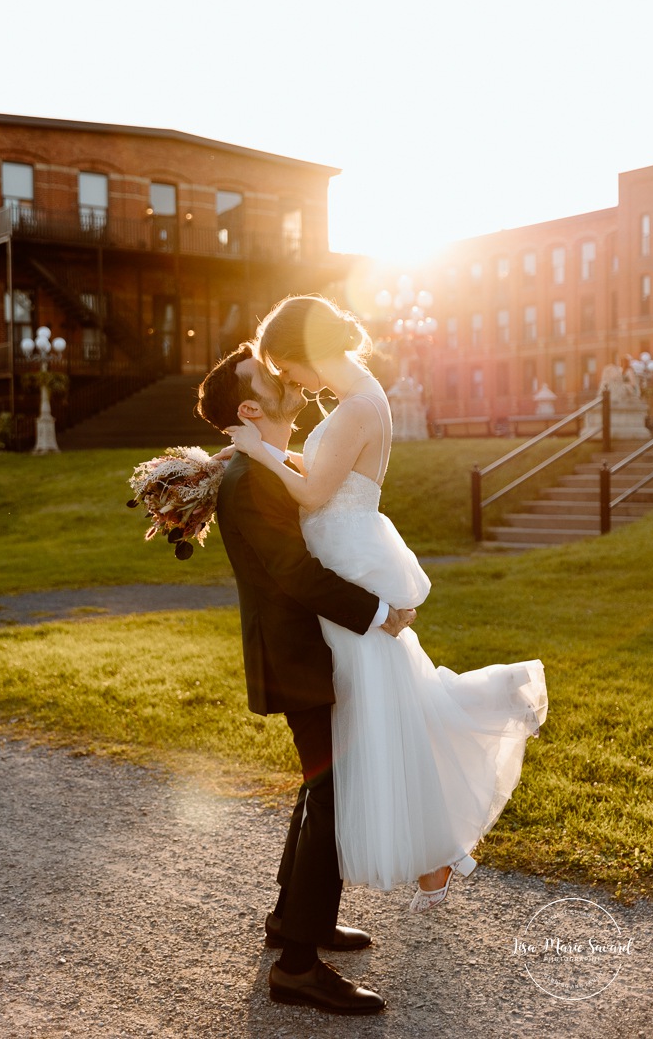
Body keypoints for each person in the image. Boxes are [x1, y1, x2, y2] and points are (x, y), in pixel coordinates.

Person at [226, 295, 548, 912]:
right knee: (387, 708)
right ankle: (397, 869)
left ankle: (402, 863)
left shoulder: (356, 406)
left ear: (305, 353)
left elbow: (316, 492)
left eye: (287, 369)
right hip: (347, 555)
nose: (289, 382)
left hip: (344, 564)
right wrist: (265, 454)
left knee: (373, 718)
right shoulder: (360, 398)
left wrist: (257, 449)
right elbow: (323, 473)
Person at [196, 344, 415, 1015]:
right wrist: (379, 612)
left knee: (321, 786)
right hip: (295, 654)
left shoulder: (264, 467)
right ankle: (295, 967)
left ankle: (297, 923)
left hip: (298, 651)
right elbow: (295, 573)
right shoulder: (253, 476)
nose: (282, 372)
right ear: (249, 406)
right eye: (264, 373)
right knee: (332, 792)